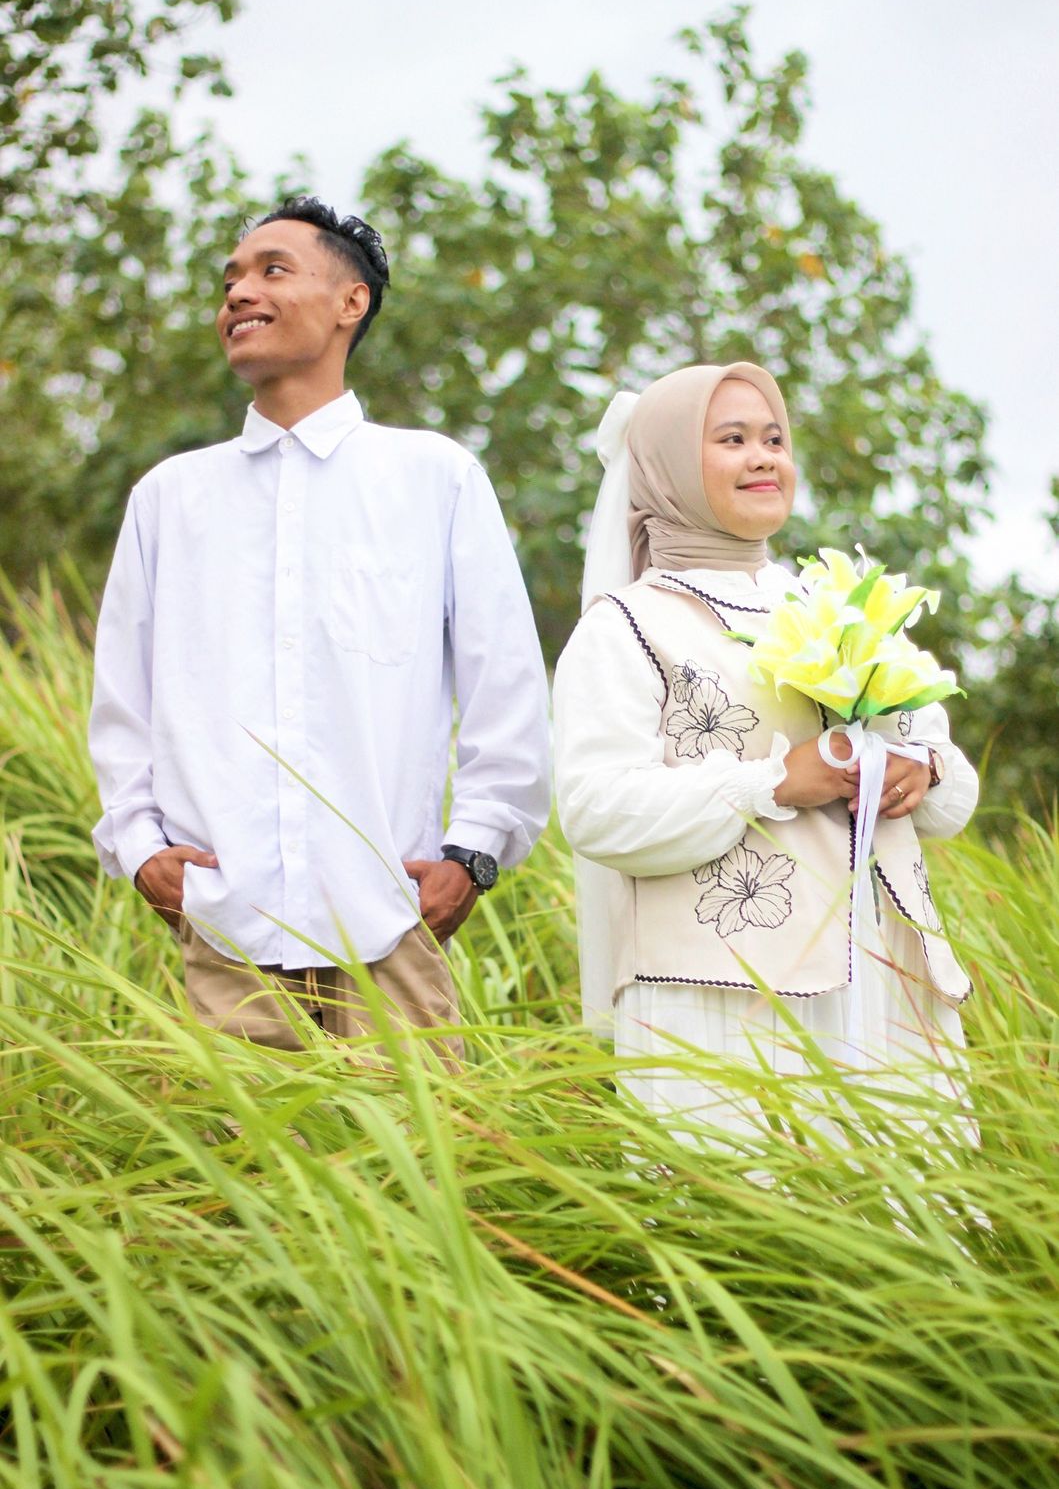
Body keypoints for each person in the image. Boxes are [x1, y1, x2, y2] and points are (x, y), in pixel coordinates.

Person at [89, 196, 550, 1059]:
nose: (238, 293)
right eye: (229, 280)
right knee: (236, 1151)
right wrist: (141, 849)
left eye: (272, 270)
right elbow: (123, 699)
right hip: (224, 926)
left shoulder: (435, 477)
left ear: (350, 302)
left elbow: (506, 688)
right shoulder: (169, 499)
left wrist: (473, 855)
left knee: (422, 1146)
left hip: (393, 918)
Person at [553, 362, 977, 1132]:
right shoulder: (625, 626)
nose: (762, 458)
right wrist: (773, 783)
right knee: (738, 1199)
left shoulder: (839, 607)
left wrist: (920, 771)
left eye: (774, 439)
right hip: (717, 998)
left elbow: (951, 795)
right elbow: (596, 811)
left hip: (879, 982)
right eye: (731, 439)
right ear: (668, 465)